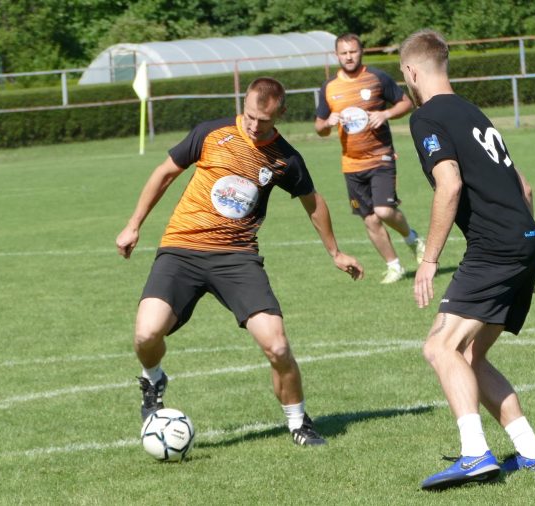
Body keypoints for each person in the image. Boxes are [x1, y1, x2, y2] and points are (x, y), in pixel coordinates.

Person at [116, 77, 364, 447]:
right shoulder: (211, 133)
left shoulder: (284, 158)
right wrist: (134, 224)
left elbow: (313, 202)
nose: (254, 125)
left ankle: (299, 422)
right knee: (146, 334)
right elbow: (165, 173)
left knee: (277, 346)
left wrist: (336, 252)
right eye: (249, 116)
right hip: (182, 248)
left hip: (237, 258)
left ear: (280, 114)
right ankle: (153, 380)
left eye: (263, 120)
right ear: (243, 105)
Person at [399, 30, 535, 490]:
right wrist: (525, 254)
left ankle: (475, 454)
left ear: (410, 72)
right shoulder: (473, 112)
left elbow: (449, 184)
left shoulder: (426, 117)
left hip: (495, 248)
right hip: (525, 241)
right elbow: (524, 187)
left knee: (439, 348)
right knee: (469, 354)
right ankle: (532, 453)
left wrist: (429, 259)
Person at [315, 33, 425, 284]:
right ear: (336, 55)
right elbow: (319, 127)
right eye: (344, 53)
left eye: (353, 51)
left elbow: (405, 103)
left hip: (380, 157)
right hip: (351, 164)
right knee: (370, 219)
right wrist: (327, 123)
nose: (349, 57)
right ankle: (394, 266)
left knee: (384, 210)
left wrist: (385, 114)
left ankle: (413, 239)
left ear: (361, 51)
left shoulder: (377, 77)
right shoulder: (329, 87)